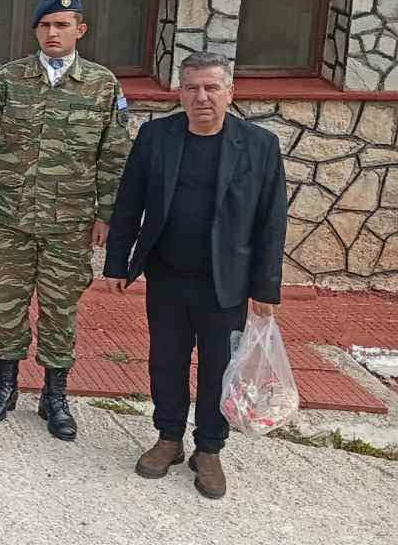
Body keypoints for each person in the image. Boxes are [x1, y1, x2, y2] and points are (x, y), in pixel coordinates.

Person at [104, 52, 287, 500]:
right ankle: (168, 438)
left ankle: (209, 449)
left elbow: (271, 221)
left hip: (227, 283)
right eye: (192, 88)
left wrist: (266, 287)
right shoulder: (156, 137)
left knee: (218, 367)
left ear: (230, 92)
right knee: (165, 360)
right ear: (180, 93)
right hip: (167, 275)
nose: (201, 97)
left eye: (211, 87)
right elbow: (129, 201)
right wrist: (117, 262)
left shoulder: (259, 145)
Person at [0, 0, 131, 440]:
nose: (53, 33)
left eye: (62, 25)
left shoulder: (101, 84)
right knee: (6, 303)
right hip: (9, 216)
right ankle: (5, 385)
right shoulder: (10, 79)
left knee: (60, 308)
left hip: (69, 222)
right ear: (36, 31)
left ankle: (54, 394)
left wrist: (106, 214)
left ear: (80, 30)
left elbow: (113, 155)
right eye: (45, 26)